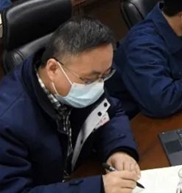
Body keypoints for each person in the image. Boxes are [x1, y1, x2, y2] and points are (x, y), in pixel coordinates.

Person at [0, 18, 140, 193]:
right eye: (89, 79)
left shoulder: (83, 78)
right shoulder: (6, 121)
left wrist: (118, 149)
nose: (99, 85)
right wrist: (97, 188)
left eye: (105, 75)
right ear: (53, 69)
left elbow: (111, 112)